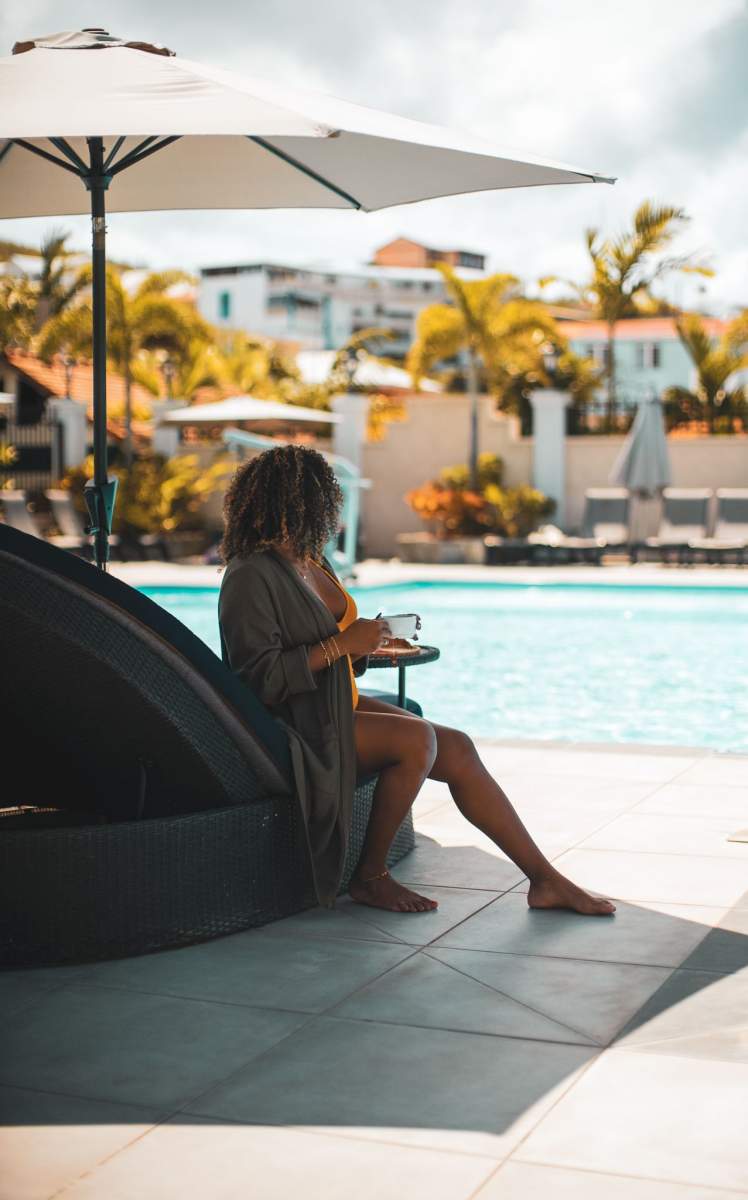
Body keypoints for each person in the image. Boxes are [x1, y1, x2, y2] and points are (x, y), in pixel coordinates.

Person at [218, 445, 615, 918]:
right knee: (417, 740)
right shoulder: (249, 575)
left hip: (332, 700)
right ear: (291, 501)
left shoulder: (309, 561)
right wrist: (343, 647)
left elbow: (328, 641)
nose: (329, 510)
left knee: (458, 748)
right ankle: (370, 876)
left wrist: (368, 643)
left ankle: (544, 880)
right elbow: (257, 680)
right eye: (321, 498)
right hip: (293, 722)